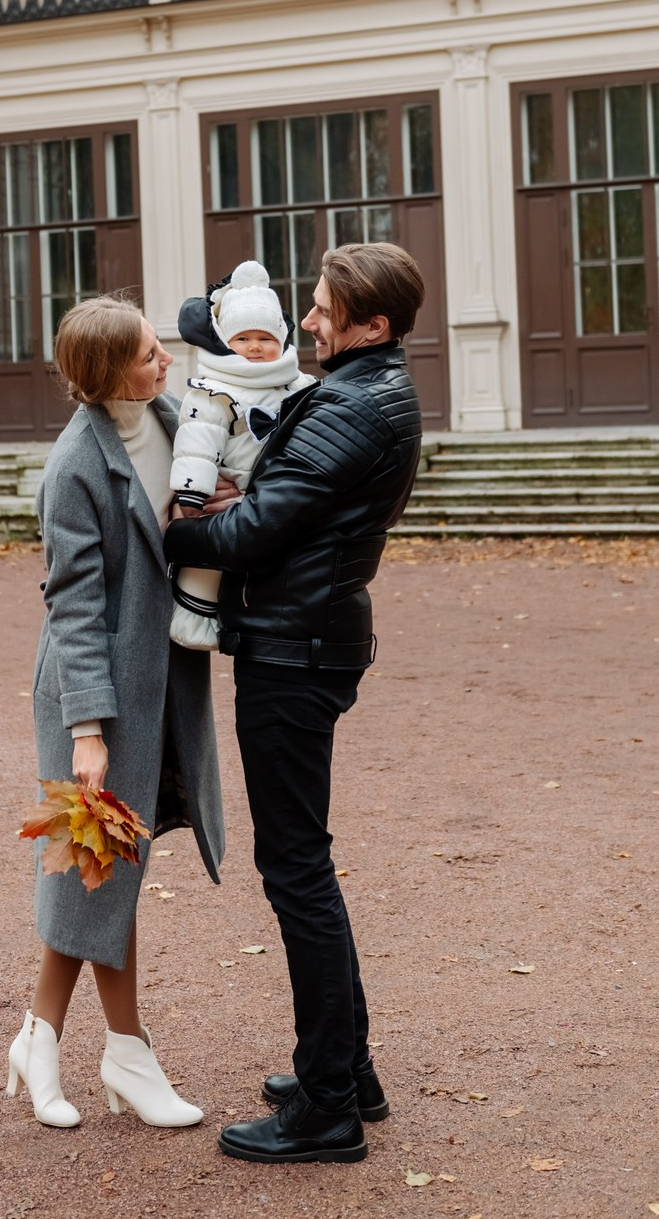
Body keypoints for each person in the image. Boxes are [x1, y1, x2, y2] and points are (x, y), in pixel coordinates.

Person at [165, 240, 424, 1164]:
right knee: (306, 866)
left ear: (373, 325)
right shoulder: (370, 394)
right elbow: (282, 500)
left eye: (320, 310)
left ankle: (326, 1111)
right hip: (314, 636)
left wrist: (178, 528)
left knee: (297, 873)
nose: (306, 322)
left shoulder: (352, 404)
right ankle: (347, 1072)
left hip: (293, 649)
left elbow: (260, 526)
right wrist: (244, 499)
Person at [8, 294, 225, 1130]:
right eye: (146, 354)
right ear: (105, 375)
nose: (164, 360)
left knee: (106, 873)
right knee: (103, 869)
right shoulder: (73, 467)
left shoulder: (175, 420)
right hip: (91, 694)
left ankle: (45, 1037)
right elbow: (73, 607)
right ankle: (124, 1054)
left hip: (162, 682)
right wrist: (87, 732)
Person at [168, 260, 315, 650]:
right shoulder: (213, 389)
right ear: (225, 342)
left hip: (272, 494)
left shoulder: (299, 384)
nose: (254, 347)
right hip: (227, 490)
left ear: (281, 341)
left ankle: (256, 621)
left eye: (265, 339)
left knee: (266, 570)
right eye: (243, 339)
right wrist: (192, 493)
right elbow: (197, 441)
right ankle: (193, 623)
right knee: (207, 563)